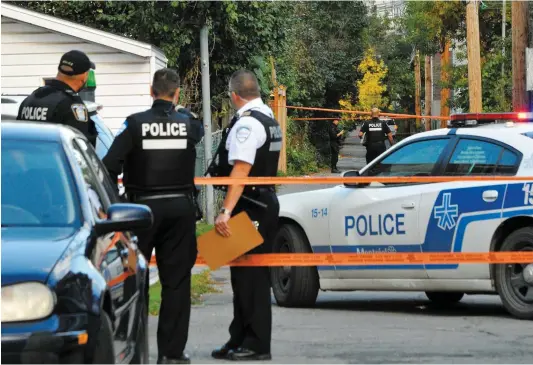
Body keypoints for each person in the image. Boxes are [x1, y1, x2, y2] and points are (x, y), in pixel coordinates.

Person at [102, 68, 203, 365]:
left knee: (134, 282)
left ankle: (133, 351)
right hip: (180, 210)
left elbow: (109, 165)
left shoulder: (134, 125)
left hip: (140, 212)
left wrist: (118, 201)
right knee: (176, 283)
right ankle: (171, 354)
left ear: (151, 91)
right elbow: (196, 129)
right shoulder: (188, 124)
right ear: (177, 94)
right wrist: (181, 110)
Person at [210, 70, 281, 361]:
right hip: (260, 202)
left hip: (250, 205)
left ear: (234, 95)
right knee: (241, 275)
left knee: (251, 277)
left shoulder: (248, 125)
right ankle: (238, 338)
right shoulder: (268, 118)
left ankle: (256, 343)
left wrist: (225, 211)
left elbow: (241, 169)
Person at [17, 50, 98, 146]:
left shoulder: (32, 98)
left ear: (59, 70)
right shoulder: (71, 104)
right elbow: (81, 146)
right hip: (53, 160)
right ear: (84, 76)